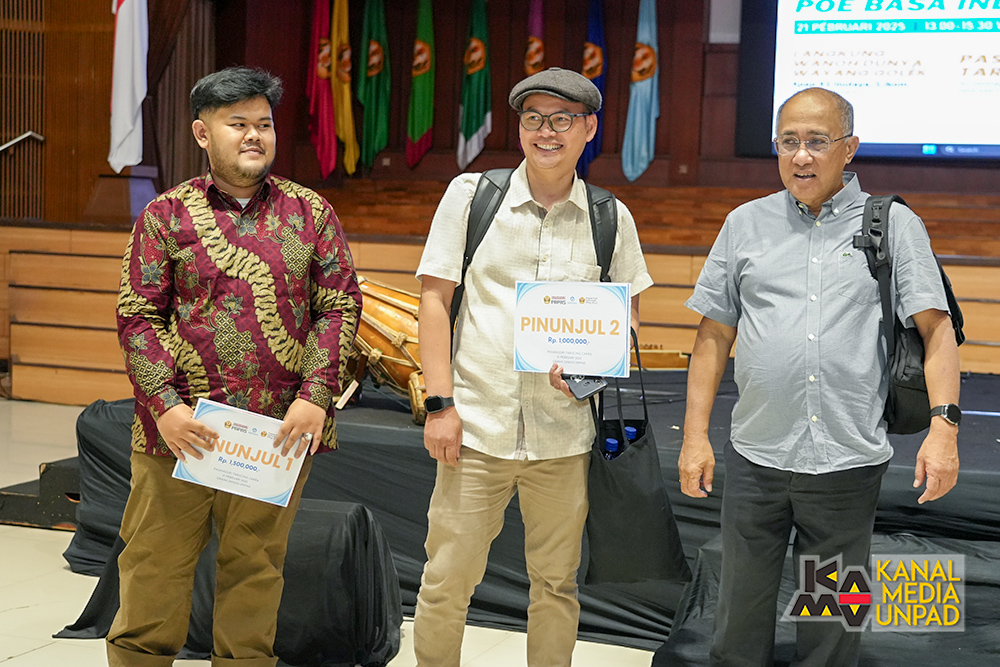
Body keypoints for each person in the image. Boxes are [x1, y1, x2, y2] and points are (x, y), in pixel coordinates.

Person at [678, 86, 961, 667]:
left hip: (846, 462)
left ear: (848, 148)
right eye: (789, 142)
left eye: (816, 141)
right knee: (739, 616)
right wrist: (694, 437)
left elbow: (937, 331)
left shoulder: (894, 224)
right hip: (756, 458)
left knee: (831, 623)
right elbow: (713, 338)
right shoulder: (744, 223)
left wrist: (944, 430)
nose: (801, 156)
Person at [108, 67, 361, 667]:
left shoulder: (311, 212)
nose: (254, 136)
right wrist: (165, 406)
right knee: (154, 565)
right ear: (203, 133)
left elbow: (339, 305)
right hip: (181, 431)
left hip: (276, 430)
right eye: (237, 123)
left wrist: (315, 395)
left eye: (264, 124)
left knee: (256, 567)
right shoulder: (166, 215)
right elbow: (137, 316)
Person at [412, 67, 652, 667]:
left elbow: (625, 322)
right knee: (446, 581)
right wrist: (440, 406)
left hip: (564, 439)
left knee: (556, 586)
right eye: (533, 118)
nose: (547, 132)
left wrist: (589, 371)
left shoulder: (610, 216)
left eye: (562, 119)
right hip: (474, 429)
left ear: (589, 128)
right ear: (519, 127)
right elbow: (434, 301)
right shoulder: (472, 196)